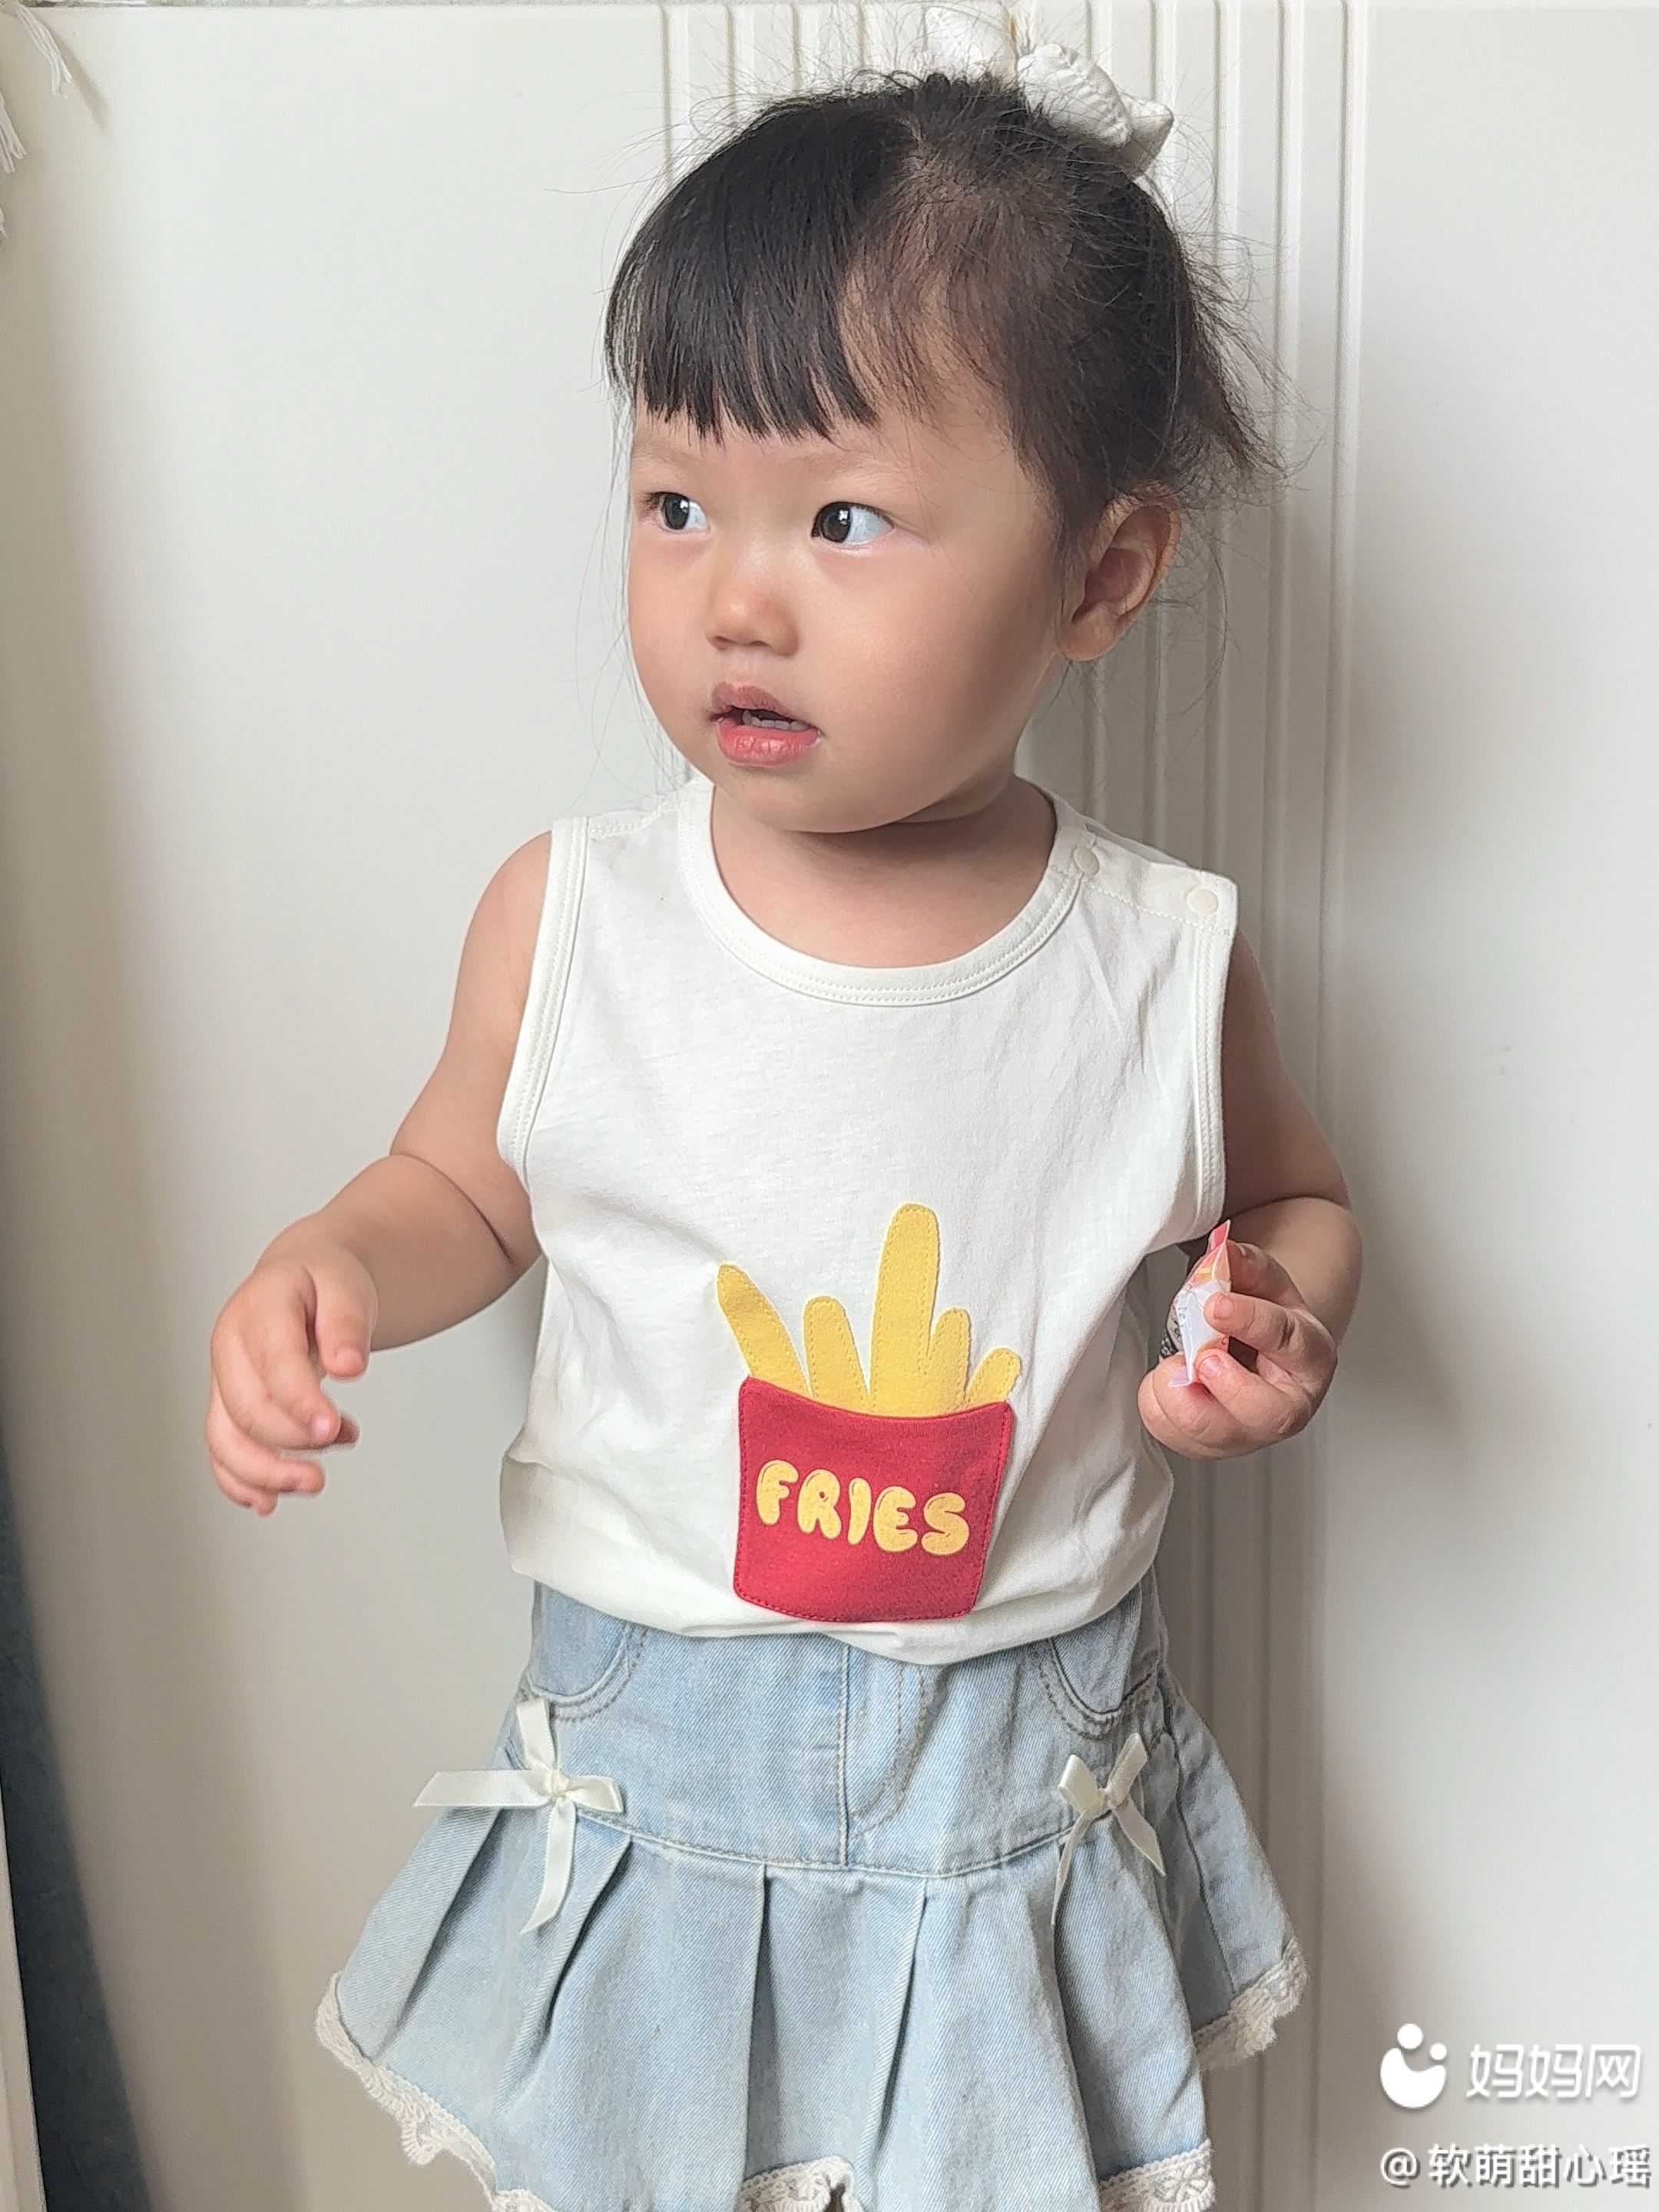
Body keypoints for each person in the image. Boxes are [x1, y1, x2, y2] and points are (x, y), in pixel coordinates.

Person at [205, 22, 1361, 2212]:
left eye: (842, 518)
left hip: (1010, 1774)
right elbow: (465, 1181)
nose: (734, 596)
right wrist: (332, 1262)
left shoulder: (1155, 961)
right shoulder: (577, 917)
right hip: (658, 1767)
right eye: (676, 503)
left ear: (1101, 576)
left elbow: (1291, 1197)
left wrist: (1273, 1320)